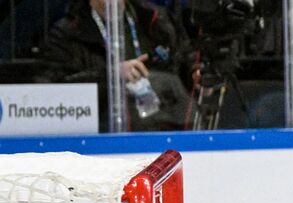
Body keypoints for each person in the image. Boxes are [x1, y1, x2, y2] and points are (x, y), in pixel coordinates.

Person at [38, 0, 191, 130]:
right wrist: (110, 75)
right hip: (102, 136)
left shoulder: (158, 20)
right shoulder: (67, 33)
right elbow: (52, 93)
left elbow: (185, 64)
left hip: (166, 127)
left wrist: (195, 75)